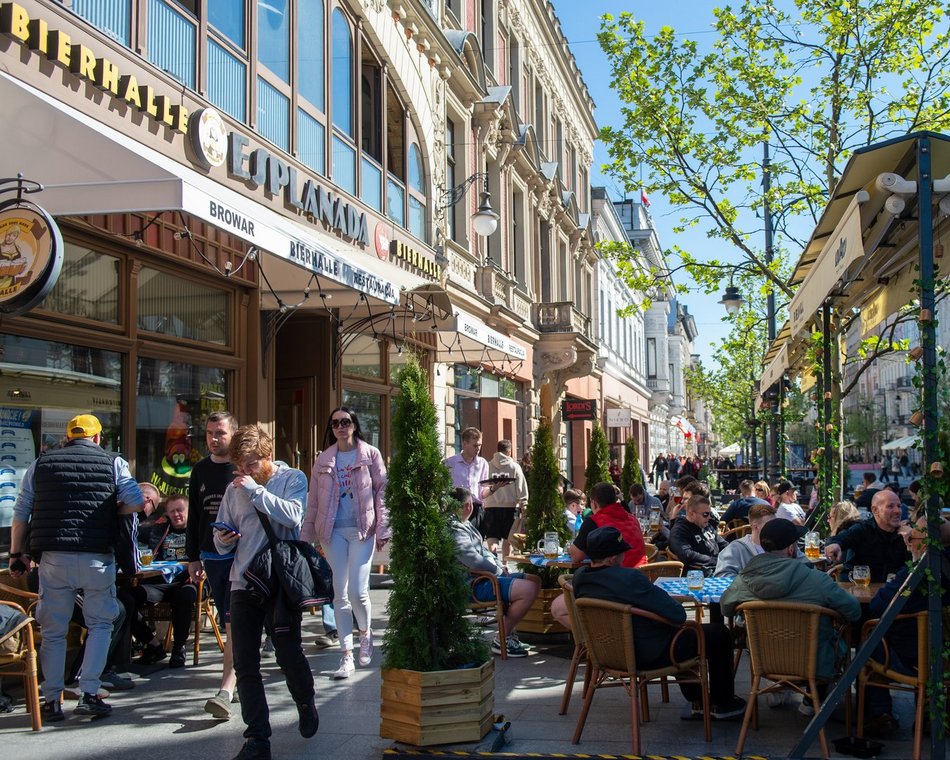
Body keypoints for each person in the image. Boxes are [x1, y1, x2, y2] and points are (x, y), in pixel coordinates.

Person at [9, 414, 145, 721]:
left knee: (54, 631)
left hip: (54, 557)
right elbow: (136, 502)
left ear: (69, 437)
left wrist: (17, 553)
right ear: (97, 438)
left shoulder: (41, 464)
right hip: (97, 557)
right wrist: (110, 511)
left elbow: (22, 511)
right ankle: (89, 693)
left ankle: (51, 700)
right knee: (100, 625)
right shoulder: (113, 462)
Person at [213, 425, 317, 760]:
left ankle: (304, 699)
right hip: (243, 580)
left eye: (252, 464)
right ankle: (257, 737)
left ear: (268, 456)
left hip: (279, 582)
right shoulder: (234, 489)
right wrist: (223, 539)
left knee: (288, 656)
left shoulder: (293, 479)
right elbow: (221, 530)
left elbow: (294, 516)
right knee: (245, 664)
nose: (244, 471)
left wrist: (256, 490)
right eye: (240, 465)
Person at [573, 526, 746, 719]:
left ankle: (699, 700)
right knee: (718, 633)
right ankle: (723, 703)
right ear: (613, 558)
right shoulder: (630, 579)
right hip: (648, 653)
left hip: (607, 653)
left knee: (682, 633)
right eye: (622, 553)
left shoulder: (580, 579)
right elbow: (677, 614)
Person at [720, 518, 861, 715]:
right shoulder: (816, 579)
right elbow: (854, 611)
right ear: (792, 549)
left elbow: (726, 608)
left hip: (765, 660)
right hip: (816, 663)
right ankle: (813, 702)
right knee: (836, 638)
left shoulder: (744, 579)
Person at [302, 407, 390, 680]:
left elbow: (382, 493)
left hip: (362, 530)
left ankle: (365, 633)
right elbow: (313, 500)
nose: (341, 426)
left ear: (354, 424)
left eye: (346, 422)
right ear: (331, 428)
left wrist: (384, 528)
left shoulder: (370, 454)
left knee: (358, 591)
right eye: (336, 423)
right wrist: (306, 537)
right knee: (339, 594)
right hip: (332, 532)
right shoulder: (324, 459)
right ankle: (346, 655)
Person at [862, 517, 950, 737]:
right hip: (944, 656)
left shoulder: (919, 574)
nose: (909, 541)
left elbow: (878, 605)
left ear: (927, 542)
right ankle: (933, 712)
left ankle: (880, 715)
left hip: (911, 658)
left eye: (913, 537)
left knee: (869, 638)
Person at [186, 410, 241, 720]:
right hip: (211, 556)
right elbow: (195, 516)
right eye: (209, 433)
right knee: (227, 620)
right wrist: (193, 557)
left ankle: (226, 688)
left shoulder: (240, 469)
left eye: (219, 432)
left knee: (233, 621)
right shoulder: (200, 470)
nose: (213, 438)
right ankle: (243, 672)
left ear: (232, 434)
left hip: (240, 557)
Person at [450, 487, 540, 657]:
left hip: (485, 577)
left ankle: (509, 633)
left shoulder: (465, 524)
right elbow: (473, 561)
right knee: (528, 589)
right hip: (473, 585)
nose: (472, 508)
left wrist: (502, 567)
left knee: (534, 580)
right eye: (469, 505)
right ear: (466, 505)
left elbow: (484, 554)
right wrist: (499, 571)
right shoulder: (455, 530)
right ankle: (502, 638)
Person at [131, 493, 198, 669]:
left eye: (180, 510)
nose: (176, 515)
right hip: (160, 582)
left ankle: (179, 648)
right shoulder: (159, 529)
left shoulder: (198, 530)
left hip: (189, 581)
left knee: (183, 596)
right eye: (172, 512)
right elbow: (134, 530)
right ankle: (152, 643)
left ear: (189, 511)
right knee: (127, 597)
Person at [824, 489, 911, 581]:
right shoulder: (863, 529)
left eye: (899, 506)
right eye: (890, 506)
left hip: (893, 591)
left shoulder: (905, 534)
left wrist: (913, 539)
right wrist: (835, 544)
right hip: (861, 590)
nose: (898, 511)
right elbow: (843, 537)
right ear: (875, 510)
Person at [570, 482, 647, 568]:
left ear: (594, 503)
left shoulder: (593, 521)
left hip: (615, 577)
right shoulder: (632, 518)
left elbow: (576, 556)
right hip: (644, 574)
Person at [482, 439, 528, 557]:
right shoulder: (514, 467)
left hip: (491, 507)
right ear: (509, 451)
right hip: (510, 507)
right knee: (508, 539)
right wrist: (524, 503)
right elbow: (521, 487)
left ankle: (493, 556)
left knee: (492, 537)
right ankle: (505, 563)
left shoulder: (488, 465)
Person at [443, 427, 490, 534]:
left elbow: (482, 493)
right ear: (465, 444)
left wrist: (493, 489)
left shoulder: (482, 464)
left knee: (476, 543)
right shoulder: (450, 463)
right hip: (456, 510)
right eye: (475, 445)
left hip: (476, 509)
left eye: (480, 445)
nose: (478, 448)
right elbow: (443, 487)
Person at [713, 504, 777, 577]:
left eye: (776, 523)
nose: (775, 527)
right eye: (770, 525)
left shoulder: (782, 546)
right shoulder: (736, 549)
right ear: (756, 527)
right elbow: (723, 576)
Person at [669, 494, 726, 575]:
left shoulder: (706, 525)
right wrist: (716, 561)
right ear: (692, 514)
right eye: (705, 514)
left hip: (718, 567)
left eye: (710, 514)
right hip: (699, 575)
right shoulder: (679, 531)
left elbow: (722, 543)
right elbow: (688, 555)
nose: (709, 517)